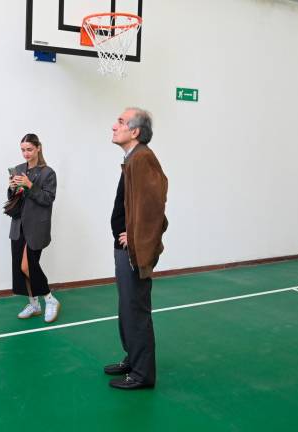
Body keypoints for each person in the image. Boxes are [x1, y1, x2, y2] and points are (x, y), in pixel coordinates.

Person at [104, 108, 168, 390]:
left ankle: (142, 374)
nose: (114, 125)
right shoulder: (133, 158)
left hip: (135, 251)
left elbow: (155, 205)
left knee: (136, 309)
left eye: (120, 122)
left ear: (135, 132)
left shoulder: (143, 158)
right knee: (126, 307)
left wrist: (136, 236)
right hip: (125, 249)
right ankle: (133, 358)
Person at [7, 133, 60, 323]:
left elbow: (48, 199)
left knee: (28, 266)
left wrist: (29, 185)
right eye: (22, 150)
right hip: (19, 223)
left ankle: (50, 299)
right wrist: (12, 187)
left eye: (29, 149)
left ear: (38, 148)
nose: (26, 154)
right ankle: (34, 303)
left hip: (37, 226)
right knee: (21, 268)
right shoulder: (19, 169)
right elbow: (14, 197)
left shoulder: (48, 173)